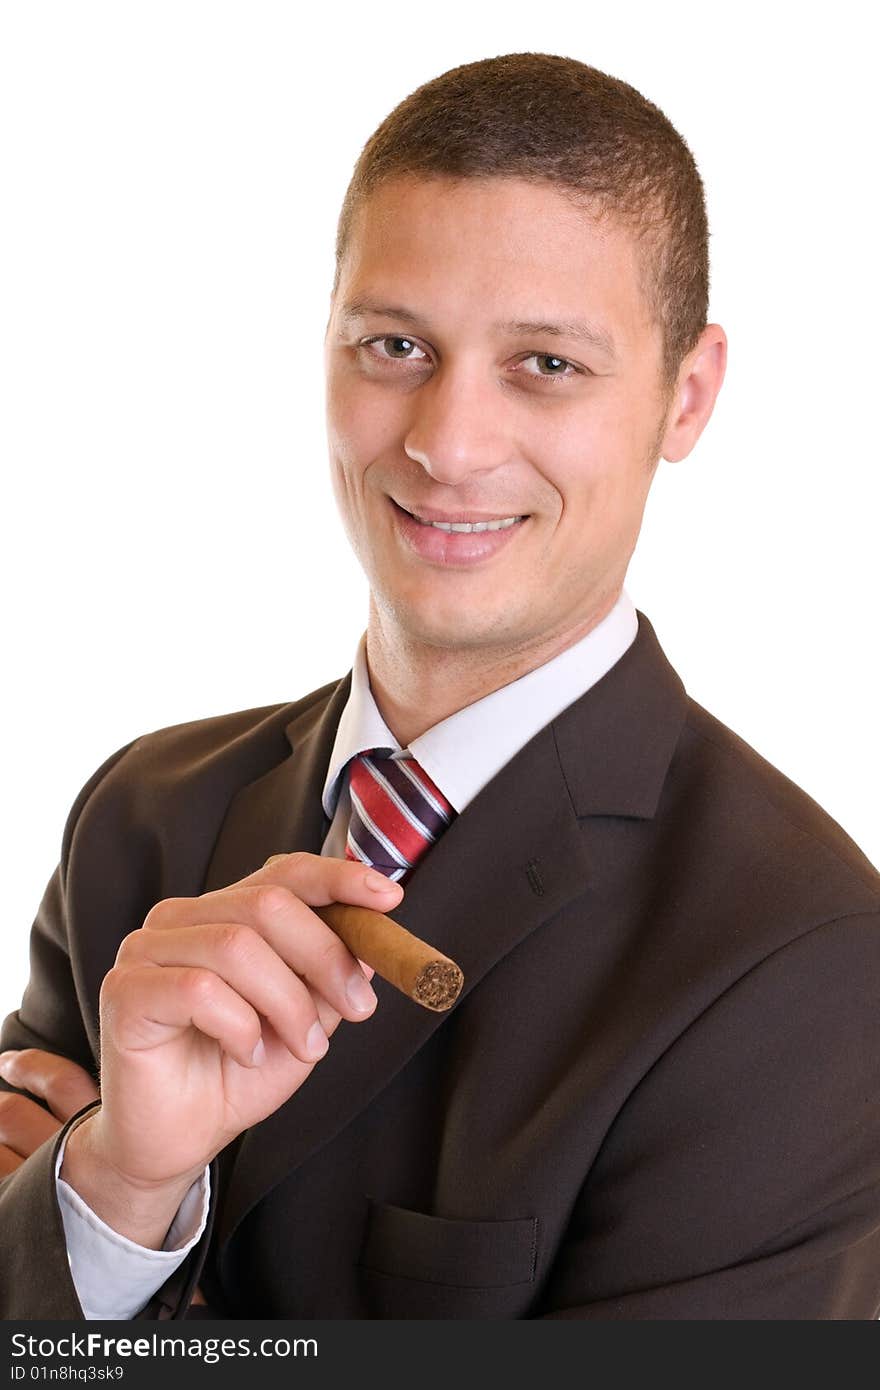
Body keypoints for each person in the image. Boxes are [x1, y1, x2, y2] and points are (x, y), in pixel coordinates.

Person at [1, 50, 878, 1321]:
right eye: (396, 344)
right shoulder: (140, 816)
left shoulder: (803, 966)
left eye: (546, 365)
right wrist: (120, 1190)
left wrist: (139, 1309)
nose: (447, 443)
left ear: (684, 396)